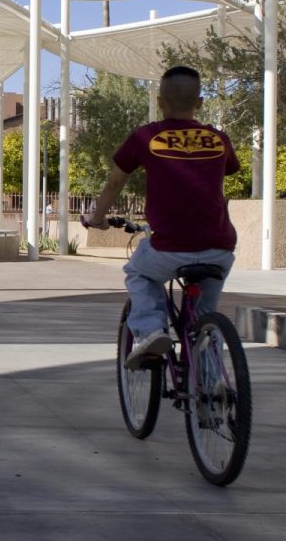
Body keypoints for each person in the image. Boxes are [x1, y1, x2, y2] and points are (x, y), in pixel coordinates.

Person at [82, 65, 241, 366]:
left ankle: (151, 331)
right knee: (206, 318)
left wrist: (95, 219)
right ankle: (213, 386)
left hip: (170, 248)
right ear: (200, 102)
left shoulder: (145, 137)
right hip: (219, 247)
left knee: (139, 273)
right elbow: (227, 170)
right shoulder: (219, 139)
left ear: (159, 101)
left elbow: (115, 183)